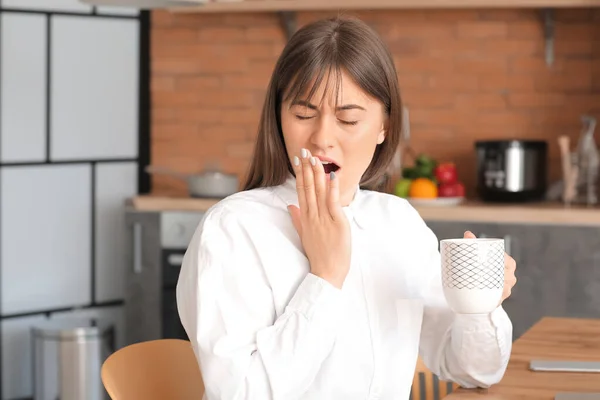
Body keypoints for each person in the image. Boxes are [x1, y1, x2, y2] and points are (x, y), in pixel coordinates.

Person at [176, 15, 517, 400]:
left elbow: (475, 371)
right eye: (303, 114)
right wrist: (324, 278)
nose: (322, 138)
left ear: (385, 126)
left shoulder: (398, 223)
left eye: (348, 118)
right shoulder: (233, 230)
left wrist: (478, 305)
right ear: (279, 117)